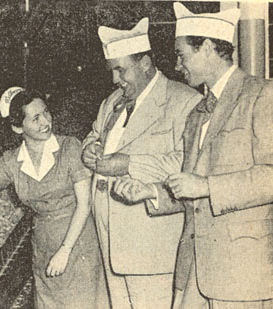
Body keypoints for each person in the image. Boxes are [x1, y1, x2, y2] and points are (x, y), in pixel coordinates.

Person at [113, 3, 273, 309]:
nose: (176, 65)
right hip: (194, 272)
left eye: (182, 54)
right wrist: (151, 191)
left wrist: (207, 186)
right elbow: (191, 189)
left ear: (209, 48)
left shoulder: (262, 95)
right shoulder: (197, 113)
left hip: (243, 275)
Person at [81, 17, 202, 308]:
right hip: (110, 242)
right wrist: (89, 149)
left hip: (151, 248)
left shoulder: (183, 101)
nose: (115, 79)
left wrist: (129, 164)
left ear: (145, 63)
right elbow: (94, 133)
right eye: (112, 71)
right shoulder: (113, 101)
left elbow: (188, 161)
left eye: (121, 70)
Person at [0, 87, 108, 308]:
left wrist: (65, 250)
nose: (46, 122)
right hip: (44, 247)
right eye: (36, 118)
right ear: (17, 127)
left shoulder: (69, 147)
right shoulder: (12, 161)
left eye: (46, 112)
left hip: (78, 243)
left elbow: (84, 203)